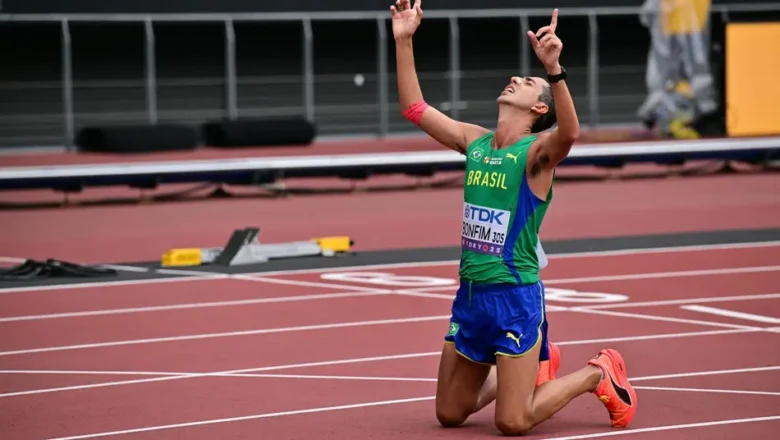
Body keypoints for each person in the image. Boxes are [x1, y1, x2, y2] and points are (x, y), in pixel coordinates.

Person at [389, 1, 638, 435]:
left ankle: (597, 373)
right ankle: (530, 371)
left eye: (526, 82)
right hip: (470, 295)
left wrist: (554, 71)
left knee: (513, 422)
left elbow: (571, 133)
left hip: (515, 298)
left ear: (539, 109)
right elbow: (414, 108)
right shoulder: (476, 142)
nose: (514, 80)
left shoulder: (537, 156)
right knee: (449, 413)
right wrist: (404, 40)